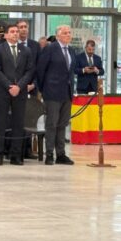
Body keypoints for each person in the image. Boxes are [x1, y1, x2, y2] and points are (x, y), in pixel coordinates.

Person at [0, 24, 34, 165]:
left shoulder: (26, 50)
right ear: (6, 35)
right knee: (0, 124)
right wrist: (9, 86)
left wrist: (19, 86)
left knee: (18, 124)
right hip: (3, 91)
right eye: (12, 31)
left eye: (17, 31)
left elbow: (29, 71)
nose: (15, 34)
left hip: (20, 92)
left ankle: (16, 156)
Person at [36, 25, 75, 165]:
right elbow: (41, 70)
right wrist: (43, 89)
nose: (68, 35)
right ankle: (49, 154)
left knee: (62, 124)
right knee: (51, 124)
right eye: (65, 33)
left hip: (67, 92)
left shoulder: (71, 50)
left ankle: (61, 154)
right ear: (58, 36)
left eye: (69, 33)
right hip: (52, 92)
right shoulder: (50, 49)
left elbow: (70, 72)